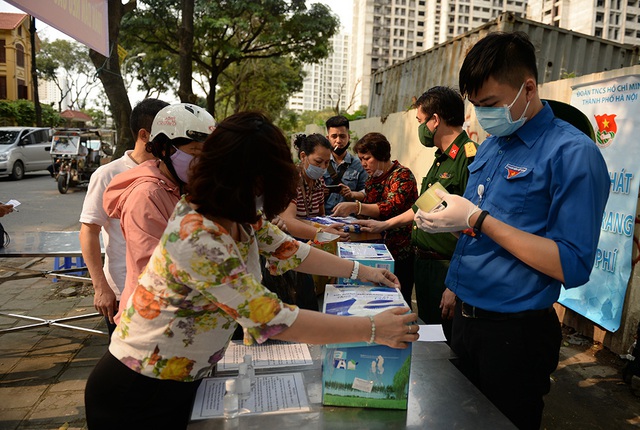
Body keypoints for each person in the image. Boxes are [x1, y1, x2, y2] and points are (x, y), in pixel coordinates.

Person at [84, 111, 418, 429]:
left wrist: (363, 271)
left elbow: (292, 251)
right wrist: (372, 329)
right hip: (137, 389)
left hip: (180, 376)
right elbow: (269, 318)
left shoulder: (239, 213)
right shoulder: (198, 234)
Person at [413, 32, 610, 429]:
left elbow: (571, 263)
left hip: (514, 334)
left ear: (529, 87)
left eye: (490, 104)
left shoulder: (572, 154)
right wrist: (453, 240)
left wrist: (477, 220)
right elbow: (478, 234)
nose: (483, 115)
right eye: (477, 105)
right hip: (465, 319)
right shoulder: (492, 145)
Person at [356, 87, 477, 341]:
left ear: (435, 120)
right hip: (424, 265)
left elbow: (473, 231)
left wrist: (455, 283)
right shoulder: (441, 159)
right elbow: (423, 206)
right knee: (430, 334)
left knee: (448, 341)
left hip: (446, 268)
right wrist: (383, 225)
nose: (420, 127)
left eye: (420, 121)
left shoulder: (469, 158)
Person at [103, 103, 216, 325]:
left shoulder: (187, 189)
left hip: (182, 314)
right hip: (152, 319)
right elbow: (154, 269)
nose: (202, 162)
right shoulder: (145, 196)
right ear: (165, 149)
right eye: (194, 152)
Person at [79, 99, 168, 335]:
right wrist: (101, 287)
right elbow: (89, 231)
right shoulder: (108, 174)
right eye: (167, 133)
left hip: (166, 290)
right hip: (122, 290)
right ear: (145, 135)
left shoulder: (171, 172)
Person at [332, 132, 418, 307]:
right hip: (375, 251)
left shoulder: (402, 176)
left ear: (382, 155)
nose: (363, 164)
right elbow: (369, 207)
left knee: (398, 299)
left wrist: (356, 206)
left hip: (399, 252)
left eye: (367, 158)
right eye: (361, 159)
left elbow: (389, 207)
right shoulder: (373, 178)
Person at [279, 133, 347, 241]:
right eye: (318, 162)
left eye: (327, 163)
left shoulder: (319, 182)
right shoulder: (292, 180)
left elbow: (320, 216)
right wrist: (322, 234)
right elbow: (288, 221)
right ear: (303, 156)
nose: (323, 167)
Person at [322, 115, 368, 214]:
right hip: (323, 216)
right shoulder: (320, 162)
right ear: (327, 138)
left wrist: (352, 194)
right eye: (334, 136)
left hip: (349, 218)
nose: (338, 141)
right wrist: (319, 193)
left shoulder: (359, 164)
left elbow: (366, 192)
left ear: (348, 137)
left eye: (342, 136)